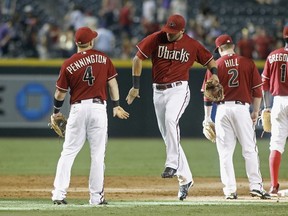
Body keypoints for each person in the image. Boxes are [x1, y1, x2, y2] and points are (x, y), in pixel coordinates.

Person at [126, 14, 219, 201]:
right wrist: (135, 86)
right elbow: (137, 59)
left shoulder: (192, 45)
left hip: (179, 90)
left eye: (173, 32)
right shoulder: (157, 37)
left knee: (170, 121)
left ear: (183, 31)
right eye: (168, 30)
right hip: (157, 91)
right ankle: (186, 179)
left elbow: (210, 62)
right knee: (169, 136)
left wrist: (215, 75)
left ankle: (172, 164)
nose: (169, 34)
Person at [51, 26, 129, 205]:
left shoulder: (68, 63)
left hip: (78, 109)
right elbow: (113, 84)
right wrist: (116, 105)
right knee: (97, 155)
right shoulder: (103, 58)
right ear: (91, 42)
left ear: (76, 43)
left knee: (68, 152)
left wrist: (56, 112)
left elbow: (60, 94)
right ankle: (96, 198)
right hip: (98, 108)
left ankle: (58, 195)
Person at [202, 34, 270, 200]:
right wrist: (255, 111)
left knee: (225, 153)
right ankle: (256, 187)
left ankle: (230, 191)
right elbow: (257, 91)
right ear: (233, 46)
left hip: (222, 110)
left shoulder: (215, 65)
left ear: (219, 49)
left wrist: (207, 118)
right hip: (241, 109)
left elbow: (207, 95)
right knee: (249, 149)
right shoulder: (247, 62)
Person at [261, 25, 288, 196]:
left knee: (276, 144)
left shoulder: (273, 55)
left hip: (278, 102)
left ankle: (273, 185)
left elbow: (264, 85)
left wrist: (266, 106)